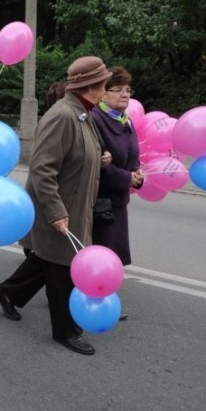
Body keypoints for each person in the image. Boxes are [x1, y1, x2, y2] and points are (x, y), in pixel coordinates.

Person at [0, 57, 112, 355]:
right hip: (56, 206)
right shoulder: (63, 116)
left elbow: (82, 154)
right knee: (63, 267)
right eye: (104, 84)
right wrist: (56, 211)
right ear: (91, 87)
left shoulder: (83, 113)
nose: (107, 89)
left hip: (73, 203)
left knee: (46, 259)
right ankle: (66, 330)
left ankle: (7, 292)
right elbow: (42, 170)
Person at [90, 67, 143, 321]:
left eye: (128, 90)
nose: (124, 95)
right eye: (117, 90)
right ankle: (96, 300)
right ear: (103, 94)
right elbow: (99, 163)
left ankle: (98, 296)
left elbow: (132, 154)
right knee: (102, 253)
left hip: (119, 199)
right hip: (100, 199)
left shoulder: (126, 119)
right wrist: (126, 177)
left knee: (111, 253)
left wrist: (137, 174)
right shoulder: (95, 119)